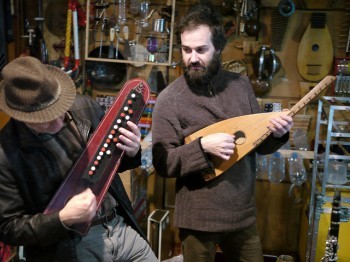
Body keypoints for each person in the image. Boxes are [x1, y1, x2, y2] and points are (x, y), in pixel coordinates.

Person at [151, 4, 293, 262]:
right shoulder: (169, 99)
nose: (192, 58)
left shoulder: (240, 86)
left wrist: (278, 134)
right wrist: (202, 146)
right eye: (186, 50)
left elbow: (258, 145)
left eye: (201, 50)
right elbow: (162, 163)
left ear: (217, 47)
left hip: (242, 215)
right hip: (197, 219)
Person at [0, 56, 157, 262]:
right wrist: (62, 218)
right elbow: (8, 228)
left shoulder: (84, 108)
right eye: (46, 120)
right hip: (69, 246)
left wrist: (132, 151)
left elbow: (111, 165)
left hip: (118, 224)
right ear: (22, 117)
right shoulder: (6, 153)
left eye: (59, 110)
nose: (58, 122)